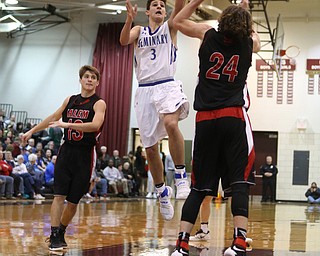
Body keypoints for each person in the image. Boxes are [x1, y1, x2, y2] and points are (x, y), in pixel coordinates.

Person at [171, 0, 261, 255]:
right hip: (233, 117)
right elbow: (258, 40)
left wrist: (196, 2)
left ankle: (181, 244)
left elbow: (176, 21)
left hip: (205, 119)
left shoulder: (207, 34)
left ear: (221, 22)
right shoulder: (248, 44)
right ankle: (239, 242)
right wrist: (246, 12)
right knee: (239, 182)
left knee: (200, 186)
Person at [22, 65, 106, 251]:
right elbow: (53, 117)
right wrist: (32, 130)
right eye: (86, 76)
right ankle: (53, 234)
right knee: (59, 196)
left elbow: (95, 125)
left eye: (93, 77)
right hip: (66, 152)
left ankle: (61, 230)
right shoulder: (70, 100)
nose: (90, 79)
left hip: (85, 154)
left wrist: (67, 124)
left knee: (73, 201)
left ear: (97, 82)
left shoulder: (99, 103)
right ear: (81, 80)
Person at [119, 0, 191, 220]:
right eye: (155, 5)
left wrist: (177, 4)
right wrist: (129, 18)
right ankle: (161, 192)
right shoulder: (139, 30)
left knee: (171, 123)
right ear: (148, 11)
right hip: (144, 89)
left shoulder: (169, 27)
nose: (159, 7)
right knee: (150, 148)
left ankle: (180, 176)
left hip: (167, 84)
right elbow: (123, 41)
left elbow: (179, 8)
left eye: (162, 4)